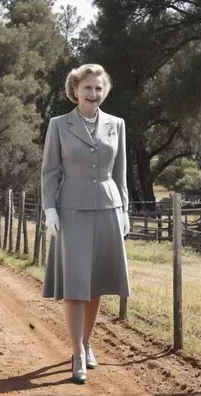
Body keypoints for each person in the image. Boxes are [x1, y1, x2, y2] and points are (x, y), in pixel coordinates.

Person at [41, 63, 130, 384]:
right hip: (71, 211)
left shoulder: (117, 124)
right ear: (75, 90)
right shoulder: (59, 125)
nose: (94, 93)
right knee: (76, 285)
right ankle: (77, 353)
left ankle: (88, 342)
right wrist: (49, 209)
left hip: (108, 208)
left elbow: (120, 173)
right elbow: (50, 172)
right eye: (88, 88)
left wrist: (125, 210)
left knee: (96, 284)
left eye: (98, 88)